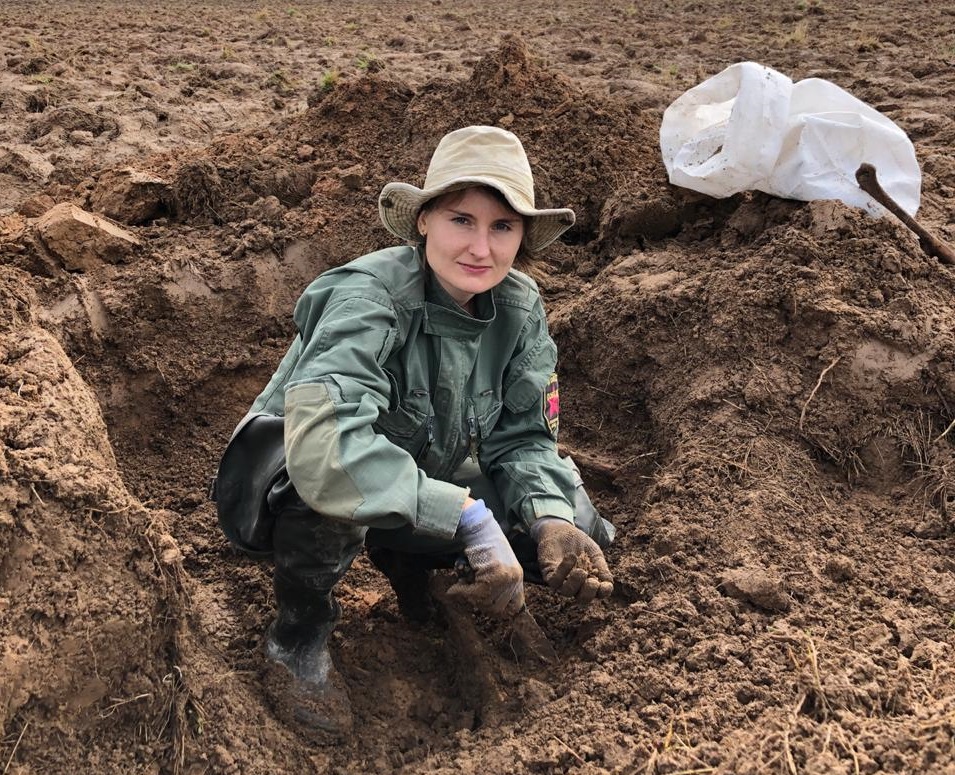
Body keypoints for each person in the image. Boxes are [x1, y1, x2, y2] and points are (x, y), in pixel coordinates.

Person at [213, 125, 616, 739]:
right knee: (323, 493)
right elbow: (328, 449)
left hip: (427, 465)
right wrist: (468, 519)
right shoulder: (365, 296)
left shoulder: (518, 307)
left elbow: (525, 439)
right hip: (292, 476)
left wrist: (548, 517)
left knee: (572, 527)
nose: (481, 248)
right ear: (424, 219)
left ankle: (405, 551)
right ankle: (297, 638)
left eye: (503, 227)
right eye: (462, 219)